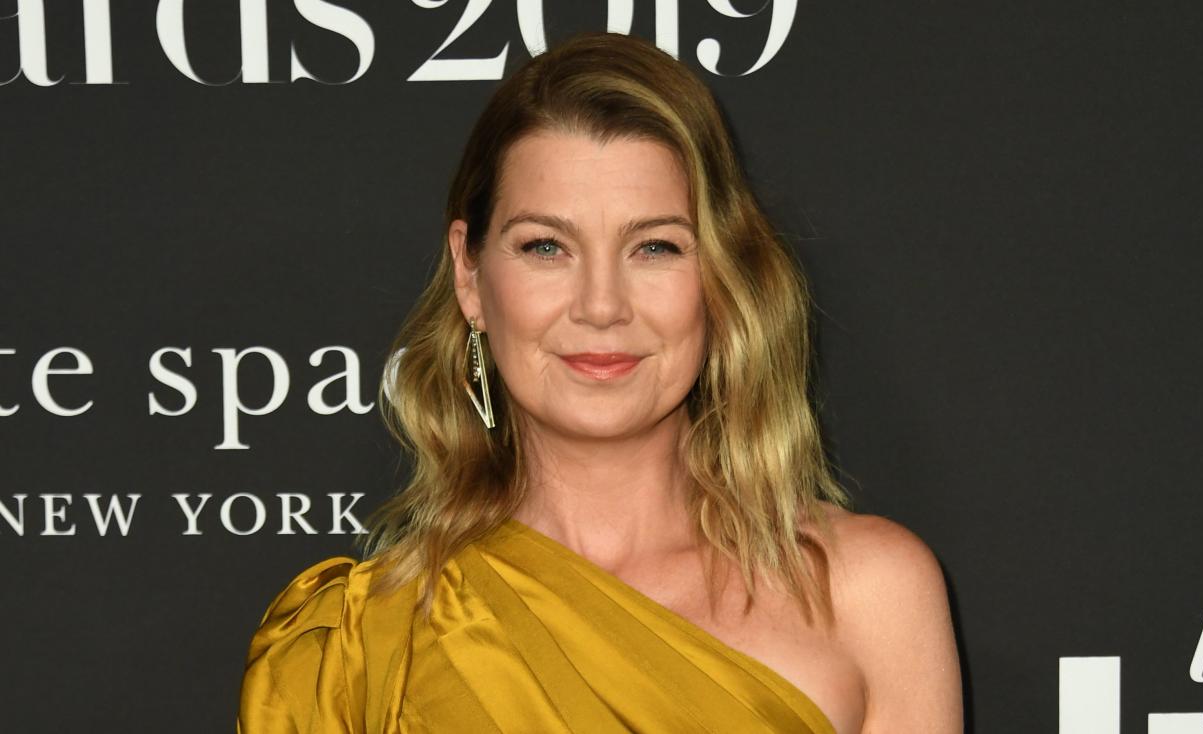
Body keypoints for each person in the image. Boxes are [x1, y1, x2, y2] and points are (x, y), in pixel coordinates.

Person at [237, 31, 961, 734]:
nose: (603, 306)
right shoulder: (356, 647)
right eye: (546, 247)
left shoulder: (868, 594)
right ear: (470, 275)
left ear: (721, 275)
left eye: (655, 247)